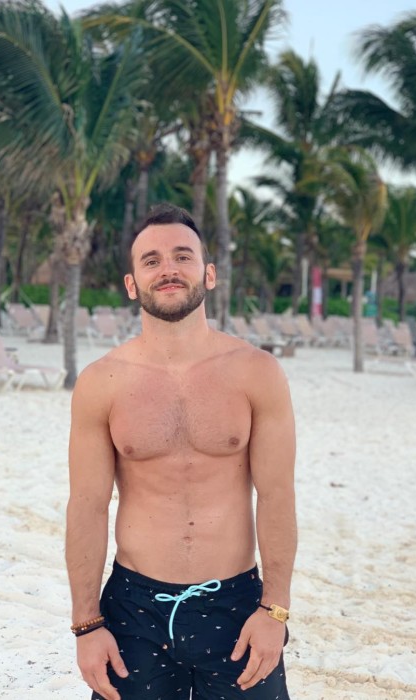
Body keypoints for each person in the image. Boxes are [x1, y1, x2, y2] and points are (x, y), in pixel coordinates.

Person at [66, 202, 297, 700]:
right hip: (133, 610)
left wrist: (274, 611)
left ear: (208, 274)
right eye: (151, 260)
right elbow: (86, 506)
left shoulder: (256, 372)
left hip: (237, 606)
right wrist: (86, 625)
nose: (168, 268)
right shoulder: (102, 382)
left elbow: (277, 495)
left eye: (182, 256)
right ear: (132, 284)